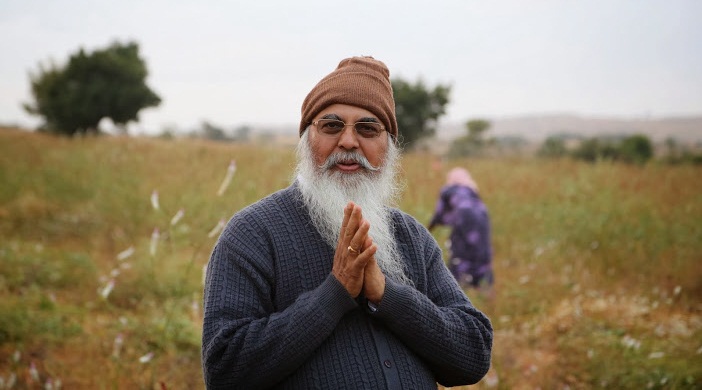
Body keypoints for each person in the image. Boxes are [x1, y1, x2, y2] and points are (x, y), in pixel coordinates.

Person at [201, 56, 493, 389]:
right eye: (332, 126)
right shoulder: (253, 233)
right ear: (307, 139)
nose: (349, 142)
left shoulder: (411, 236)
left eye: (368, 129)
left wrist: (387, 296)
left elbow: (473, 355)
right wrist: (335, 293)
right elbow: (225, 370)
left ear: (388, 147)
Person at [428, 167, 494, 296]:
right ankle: (483, 287)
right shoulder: (471, 189)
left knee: (460, 253)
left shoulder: (448, 191)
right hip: (482, 218)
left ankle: (456, 291)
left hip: (464, 219)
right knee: (480, 250)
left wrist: (428, 229)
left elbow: (439, 215)